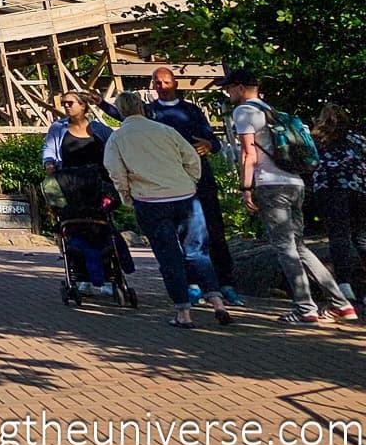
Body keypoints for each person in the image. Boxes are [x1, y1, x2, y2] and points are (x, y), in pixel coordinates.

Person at [224, 68, 357, 326]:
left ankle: (305, 307)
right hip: (295, 182)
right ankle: (341, 304)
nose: (227, 93)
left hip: (271, 186)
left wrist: (245, 188)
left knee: (285, 249)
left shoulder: (244, 112)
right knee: (299, 247)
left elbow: (248, 154)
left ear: (240, 88)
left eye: (229, 88)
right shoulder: (275, 112)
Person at [103, 91, 233, 327]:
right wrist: (190, 181)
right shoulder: (164, 130)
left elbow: (115, 171)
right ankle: (217, 302)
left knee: (168, 255)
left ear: (121, 111)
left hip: (150, 200)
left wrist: (127, 196)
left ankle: (183, 313)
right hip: (184, 195)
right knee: (197, 252)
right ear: (142, 108)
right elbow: (191, 157)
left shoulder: (117, 138)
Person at [143, 65, 243, 305]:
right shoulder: (149, 112)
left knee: (214, 231)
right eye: (157, 82)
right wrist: (102, 105)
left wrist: (209, 145)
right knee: (181, 235)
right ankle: (191, 284)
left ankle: (225, 283)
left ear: (175, 83)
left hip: (201, 180)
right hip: (170, 183)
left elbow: (213, 141)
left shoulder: (191, 110)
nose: (162, 86)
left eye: (166, 82)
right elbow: (126, 118)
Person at [43, 89, 119, 291]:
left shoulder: (99, 129)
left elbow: (115, 145)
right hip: (70, 185)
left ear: (83, 105)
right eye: (64, 103)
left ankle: (107, 274)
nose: (66, 106)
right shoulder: (58, 128)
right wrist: (49, 162)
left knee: (101, 228)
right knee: (75, 229)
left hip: (96, 185)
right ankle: (81, 275)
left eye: (70, 103)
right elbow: (49, 150)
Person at [309, 104, 366, 305]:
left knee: (338, 236)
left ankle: (344, 285)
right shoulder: (357, 138)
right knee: (361, 237)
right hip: (358, 190)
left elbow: (308, 163)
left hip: (330, 190)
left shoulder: (317, 139)